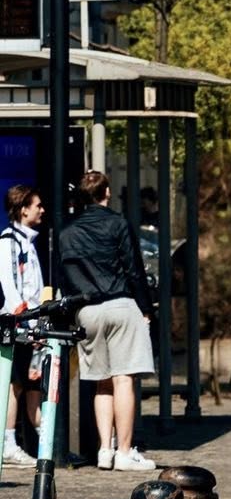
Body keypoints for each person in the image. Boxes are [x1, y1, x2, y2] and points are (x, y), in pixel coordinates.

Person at [57, 171, 157, 472]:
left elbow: (65, 276)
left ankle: (104, 449)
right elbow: (133, 268)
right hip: (120, 304)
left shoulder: (67, 233)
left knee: (101, 381)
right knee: (124, 377)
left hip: (88, 311)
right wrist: (145, 307)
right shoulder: (118, 224)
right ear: (107, 193)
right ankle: (125, 452)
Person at [0, 185, 44, 466]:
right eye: (37, 205)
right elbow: (7, 281)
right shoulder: (8, 241)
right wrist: (22, 315)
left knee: (29, 384)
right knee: (13, 383)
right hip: (15, 324)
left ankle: (44, 442)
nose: (42, 210)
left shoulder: (27, 241)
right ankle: (8, 443)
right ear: (23, 208)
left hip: (29, 324)